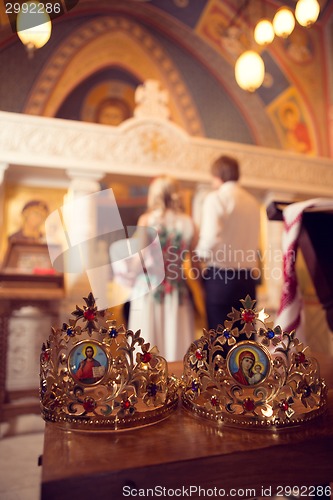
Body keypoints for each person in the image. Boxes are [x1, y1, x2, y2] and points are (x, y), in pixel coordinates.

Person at [128, 176, 198, 362]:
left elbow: (139, 260)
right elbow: (196, 264)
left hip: (148, 288)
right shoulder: (189, 223)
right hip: (176, 290)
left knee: (147, 342)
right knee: (175, 342)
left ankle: (145, 385)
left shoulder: (146, 220)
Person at [195, 155, 260, 331]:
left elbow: (210, 238)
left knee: (219, 341)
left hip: (221, 278)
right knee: (245, 343)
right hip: (247, 279)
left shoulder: (216, 198)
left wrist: (196, 256)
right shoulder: (253, 203)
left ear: (217, 175)